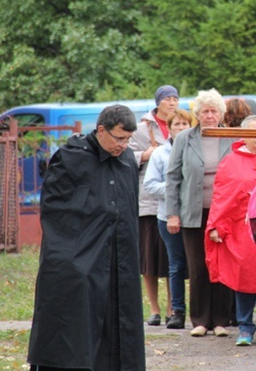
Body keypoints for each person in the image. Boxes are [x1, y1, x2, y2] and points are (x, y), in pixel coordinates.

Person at [28, 105, 145, 370]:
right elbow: (56, 213)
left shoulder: (126, 162)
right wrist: (74, 256)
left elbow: (129, 210)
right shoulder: (71, 159)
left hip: (120, 261)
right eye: (119, 138)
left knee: (118, 323)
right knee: (77, 326)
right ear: (101, 130)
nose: (124, 145)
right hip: (80, 260)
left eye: (128, 139)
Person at [166, 88, 235, 338]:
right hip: (193, 213)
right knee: (198, 266)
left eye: (213, 110)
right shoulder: (185, 138)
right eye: (204, 111)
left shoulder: (231, 138)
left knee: (223, 265)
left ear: (221, 113)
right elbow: (173, 176)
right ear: (197, 114)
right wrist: (172, 213)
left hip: (224, 214)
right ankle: (200, 320)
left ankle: (221, 321)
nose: (209, 115)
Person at [205, 115, 256, 346]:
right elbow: (222, 196)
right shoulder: (230, 161)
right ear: (244, 135)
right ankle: (245, 327)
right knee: (243, 277)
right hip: (241, 230)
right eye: (255, 133)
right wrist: (217, 225)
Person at [129, 85, 179, 327]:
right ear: (158, 102)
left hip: (173, 204)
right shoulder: (141, 129)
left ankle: (172, 306)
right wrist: (146, 154)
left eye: (175, 98)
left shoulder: (181, 124)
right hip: (148, 201)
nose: (172, 102)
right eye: (168, 98)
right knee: (148, 259)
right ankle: (154, 308)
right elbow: (126, 156)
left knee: (171, 258)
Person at [144, 108, 195, 329]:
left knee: (197, 266)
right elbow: (150, 184)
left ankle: (200, 312)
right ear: (169, 128)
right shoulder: (160, 154)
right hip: (168, 217)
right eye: (177, 125)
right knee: (176, 265)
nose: (181, 128)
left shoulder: (197, 150)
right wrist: (175, 189)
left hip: (195, 216)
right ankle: (177, 311)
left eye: (185, 124)